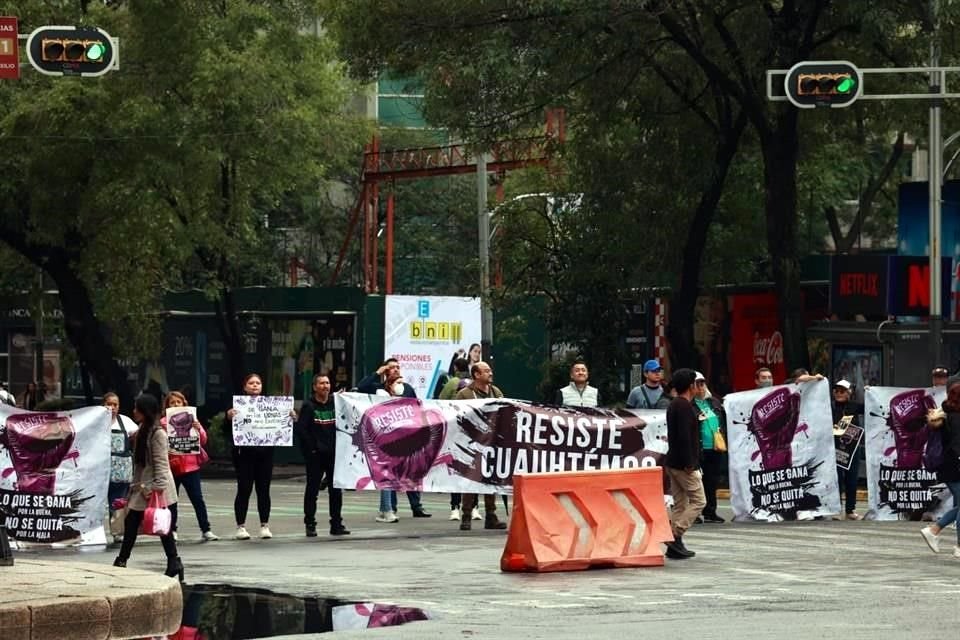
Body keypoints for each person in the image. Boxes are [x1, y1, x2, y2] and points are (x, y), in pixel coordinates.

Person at [113, 393, 183, 581]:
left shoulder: (158, 433)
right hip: (143, 487)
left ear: (145, 411)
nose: (134, 411)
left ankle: (172, 561)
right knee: (134, 524)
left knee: (161, 527)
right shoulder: (143, 429)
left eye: (137, 408)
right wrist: (133, 488)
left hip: (155, 489)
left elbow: (161, 464)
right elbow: (140, 464)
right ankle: (124, 559)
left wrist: (155, 489)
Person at [357, 358, 432, 521]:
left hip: (407, 436)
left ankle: (416, 506)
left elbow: (417, 409)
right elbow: (361, 387)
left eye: (398, 367)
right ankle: (391, 508)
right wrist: (378, 373)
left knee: (411, 471)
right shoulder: (377, 389)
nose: (397, 370)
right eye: (392, 368)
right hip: (386, 439)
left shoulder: (407, 389)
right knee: (389, 472)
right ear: (385, 371)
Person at [227, 373, 281, 540]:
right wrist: (228, 417)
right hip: (244, 454)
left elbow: (281, 425)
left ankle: (264, 525)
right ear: (245, 387)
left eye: (258, 383)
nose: (255, 385)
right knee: (244, 489)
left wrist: (290, 416)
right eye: (251, 383)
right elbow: (227, 428)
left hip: (265, 454)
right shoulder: (238, 405)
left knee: (264, 490)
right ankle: (240, 526)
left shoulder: (271, 405)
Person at [456, 361, 508, 531]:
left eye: (490, 370)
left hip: (493, 442)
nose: (490, 373)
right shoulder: (465, 394)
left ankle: (491, 516)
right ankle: (466, 515)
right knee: (472, 479)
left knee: (490, 478)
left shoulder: (496, 392)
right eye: (486, 371)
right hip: (471, 443)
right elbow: (456, 416)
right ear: (476, 375)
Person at [296, 372, 350, 537]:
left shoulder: (336, 404)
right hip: (316, 456)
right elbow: (302, 430)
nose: (325, 386)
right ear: (314, 387)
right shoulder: (309, 406)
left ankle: (336, 524)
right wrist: (312, 449)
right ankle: (310, 524)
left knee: (336, 491)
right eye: (321, 383)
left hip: (334, 454)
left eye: (327, 383)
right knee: (312, 490)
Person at [164, 391, 218, 541]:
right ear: (167, 406)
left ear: (184, 404)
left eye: (178, 402)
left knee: (197, 499)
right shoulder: (163, 422)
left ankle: (206, 529)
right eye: (172, 403)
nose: (176, 405)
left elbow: (203, 440)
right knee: (172, 501)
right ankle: (172, 529)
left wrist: (198, 428)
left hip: (190, 466)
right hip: (171, 466)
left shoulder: (192, 420)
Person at [663, 368, 706, 560]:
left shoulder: (676, 404)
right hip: (683, 464)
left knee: (680, 504)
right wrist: (690, 463)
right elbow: (684, 437)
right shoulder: (683, 406)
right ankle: (674, 535)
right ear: (691, 386)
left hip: (673, 461)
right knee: (699, 501)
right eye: (698, 384)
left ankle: (675, 546)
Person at [920, 379, 960, 557]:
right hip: (956, 465)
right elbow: (957, 445)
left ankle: (935, 530)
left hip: (949, 466)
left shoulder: (947, 413)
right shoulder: (956, 417)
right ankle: (937, 532)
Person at [439, 356, 475, 521]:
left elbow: (440, 401)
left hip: (456, 429)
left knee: (457, 470)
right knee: (475, 471)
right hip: (475, 433)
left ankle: (455, 507)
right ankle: (474, 508)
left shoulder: (452, 382)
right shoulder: (474, 383)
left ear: (455, 367)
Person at [105, 391, 138, 543]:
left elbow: (138, 435)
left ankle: (117, 531)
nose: (112, 407)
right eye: (109, 404)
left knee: (117, 502)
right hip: (101, 470)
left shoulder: (125, 421)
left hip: (121, 471)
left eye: (115, 404)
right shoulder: (95, 422)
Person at [693, 372, 725, 524]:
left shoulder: (714, 402)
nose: (700, 387)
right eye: (697, 384)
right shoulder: (689, 404)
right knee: (695, 481)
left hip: (715, 447)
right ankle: (694, 513)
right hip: (699, 448)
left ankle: (710, 512)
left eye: (702, 383)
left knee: (712, 480)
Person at [831, 380, 865, 520]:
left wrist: (869, 392)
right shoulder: (830, 406)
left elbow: (871, 407)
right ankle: (838, 510)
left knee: (852, 479)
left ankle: (850, 510)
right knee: (837, 479)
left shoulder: (854, 406)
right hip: (835, 448)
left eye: (842, 391)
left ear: (849, 392)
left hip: (852, 448)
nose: (839, 393)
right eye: (837, 391)